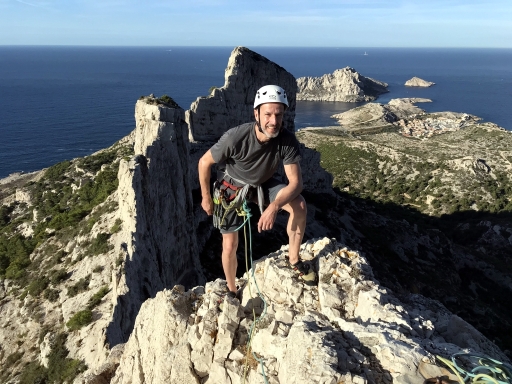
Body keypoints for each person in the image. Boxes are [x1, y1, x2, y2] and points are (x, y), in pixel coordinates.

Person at [198, 85, 317, 298]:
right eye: (268, 114)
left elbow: (296, 183)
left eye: (278, 115)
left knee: (299, 205)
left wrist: (274, 207)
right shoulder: (236, 137)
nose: (273, 121)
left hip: (263, 183)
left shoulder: (286, 140)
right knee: (230, 244)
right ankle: (232, 289)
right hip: (232, 188)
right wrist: (206, 198)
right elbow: (204, 162)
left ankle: (294, 260)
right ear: (257, 114)